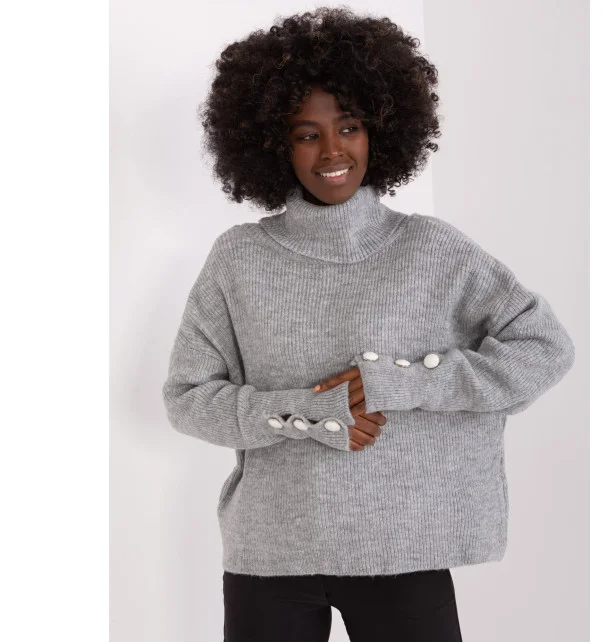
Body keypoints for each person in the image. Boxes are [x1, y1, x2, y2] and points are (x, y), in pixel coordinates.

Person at [162, 7, 576, 642]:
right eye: (307, 134)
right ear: (273, 145)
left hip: (404, 551)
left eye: (349, 127)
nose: (332, 150)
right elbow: (188, 398)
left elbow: (544, 347)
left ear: (380, 130)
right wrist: (306, 412)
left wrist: (400, 382)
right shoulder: (239, 258)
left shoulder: (433, 249)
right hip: (271, 554)